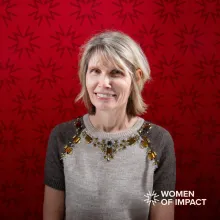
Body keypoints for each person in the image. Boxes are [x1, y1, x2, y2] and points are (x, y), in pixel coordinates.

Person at [43, 30, 176, 220]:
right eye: (95, 71)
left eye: (116, 73)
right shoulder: (62, 136)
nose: (103, 83)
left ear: (137, 78)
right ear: (85, 76)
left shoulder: (159, 141)